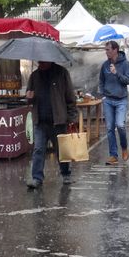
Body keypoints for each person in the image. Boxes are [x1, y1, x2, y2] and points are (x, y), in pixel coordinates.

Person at [25, 60, 78, 188]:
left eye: (43, 61)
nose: (40, 63)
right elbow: (29, 96)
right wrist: (29, 97)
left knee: (61, 150)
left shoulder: (61, 73)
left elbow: (70, 97)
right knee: (38, 149)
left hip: (58, 120)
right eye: (39, 61)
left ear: (49, 60)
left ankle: (65, 174)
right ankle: (37, 178)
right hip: (40, 120)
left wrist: (72, 118)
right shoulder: (34, 76)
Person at [99, 41, 129, 165]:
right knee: (109, 128)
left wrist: (116, 73)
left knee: (120, 125)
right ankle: (113, 155)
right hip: (108, 100)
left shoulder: (125, 64)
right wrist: (103, 94)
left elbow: (128, 80)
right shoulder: (104, 65)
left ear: (115, 50)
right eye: (106, 50)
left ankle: (124, 147)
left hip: (121, 100)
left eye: (108, 50)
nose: (106, 52)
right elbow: (101, 80)